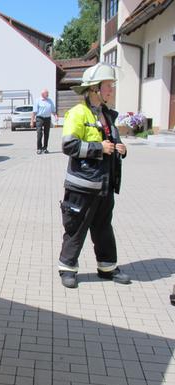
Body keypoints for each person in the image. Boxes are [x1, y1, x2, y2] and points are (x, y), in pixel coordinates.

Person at [58, 63, 131, 289]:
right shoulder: (78, 113)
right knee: (76, 229)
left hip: (104, 186)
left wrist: (121, 148)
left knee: (103, 228)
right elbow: (69, 145)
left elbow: (112, 141)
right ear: (94, 89)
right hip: (82, 187)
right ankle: (67, 268)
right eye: (108, 86)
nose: (111, 90)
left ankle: (107, 267)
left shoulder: (107, 115)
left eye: (111, 86)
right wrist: (99, 148)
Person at [30, 88, 57, 154]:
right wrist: (32, 121)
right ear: (43, 94)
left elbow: (53, 110)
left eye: (48, 93)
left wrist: (56, 116)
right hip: (39, 118)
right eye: (47, 93)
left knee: (46, 133)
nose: (48, 95)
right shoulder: (38, 101)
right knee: (39, 133)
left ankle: (45, 148)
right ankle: (39, 148)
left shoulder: (50, 101)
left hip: (47, 118)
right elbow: (34, 112)